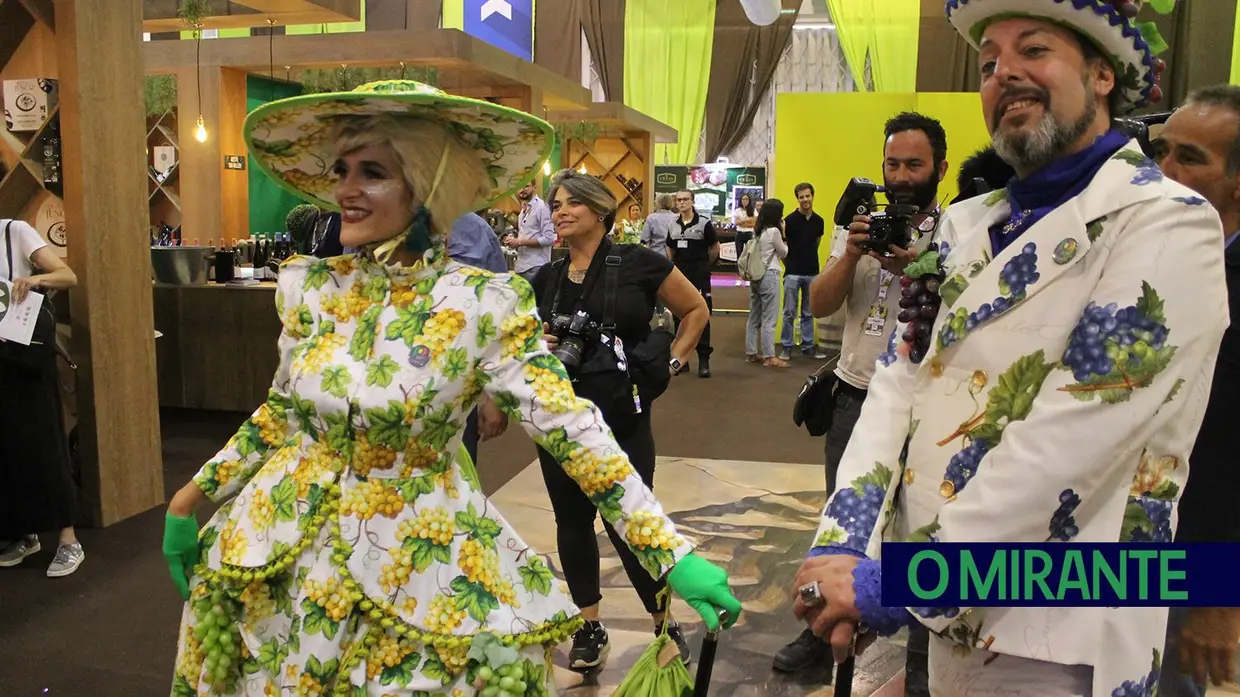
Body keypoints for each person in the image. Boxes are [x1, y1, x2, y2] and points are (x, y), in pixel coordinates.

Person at [161, 80, 742, 697]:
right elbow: (283, 411)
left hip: (418, 561)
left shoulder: (481, 304)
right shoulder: (310, 287)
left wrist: (668, 552)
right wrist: (191, 496)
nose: (345, 190)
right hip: (281, 550)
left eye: (373, 172)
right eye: (341, 170)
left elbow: (572, 429)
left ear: (428, 189)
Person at [789, 2, 1227, 695]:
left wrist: (901, 584)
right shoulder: (968, 222)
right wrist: (841, 546)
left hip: (1061, 627)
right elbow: (898, 382)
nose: (1005, 74)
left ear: (1102, 73)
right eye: (989, 62)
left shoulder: (1167, 222)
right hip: (943, 614)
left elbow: (1075, 437)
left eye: (1034, 51)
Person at [780, 113, 947, 687]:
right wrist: (852, 255)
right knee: (843, 516)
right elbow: (822, 305)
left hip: (929, 410)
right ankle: (821, 631)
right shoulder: (859, 224)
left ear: (939, 170)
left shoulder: (957, 232)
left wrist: (920, 271)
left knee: (927, 527)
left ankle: (922, 659)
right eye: (891, 164)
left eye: (913, 165)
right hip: (854, 397)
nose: (900, 176)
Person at [530, 170, 711, 671]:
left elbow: (695, 309)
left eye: (571, 203)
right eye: (556, 204)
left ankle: (662, 621)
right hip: (559, 421)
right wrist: (536, 342)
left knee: (631, 522)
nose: (561, 211)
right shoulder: (545, 278)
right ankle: (590, 624)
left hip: (623, 418)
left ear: (599, 210)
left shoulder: (639, 263)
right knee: (571, 522)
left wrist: (672, 363)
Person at [1150, 84, 1240, 696]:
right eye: (1162, 150)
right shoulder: (1148, 257)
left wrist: (1219, 594)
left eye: (1188, 157)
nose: (1164, 171)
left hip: (1194, 554)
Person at [0, 217, 84, 577]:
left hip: (25, 355)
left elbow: (68, 276)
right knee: (7, 449)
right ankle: (23, 532)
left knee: (44, 442)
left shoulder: (13, 231)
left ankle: (69, 540)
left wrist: (33, 279)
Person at [447, 211, 511, 466]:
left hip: (457, 379)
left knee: (457, 484)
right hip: (378, 389)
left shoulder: (474, 229)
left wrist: (497, 395)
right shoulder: (367, 224)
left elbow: (499, 310)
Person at [667, 189, 719, 378]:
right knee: (678, 317)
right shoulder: (672, 224)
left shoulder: (704, 223)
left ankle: (704, 361)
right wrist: (673, 266)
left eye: (685, 199)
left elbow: (714, 247)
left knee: (703, 317)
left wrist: (704, 265)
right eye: (679, 200)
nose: (682, 203)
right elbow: (670, 247)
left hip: (700, 275)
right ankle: (682, 360)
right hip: (679, 276)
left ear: (692, 201)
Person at [779, 184, 827, 361]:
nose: (805, 200)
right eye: (801, 197)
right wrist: (790, 265)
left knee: (808, 312)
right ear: (797, 199)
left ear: (812, 196)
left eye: (807, 196)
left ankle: (808, 347)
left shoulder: (819, 221)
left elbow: (816, 243)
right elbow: (783, 249)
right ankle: (786, 347)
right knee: (789, 312)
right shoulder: (788, 221)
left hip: (812, 272)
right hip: (792, 273)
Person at [744, 198, 789, 367]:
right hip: (770, 275)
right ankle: (770, 356)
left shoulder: (758, 231)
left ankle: (751, 352)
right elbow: (783, 253)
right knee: (770, 318)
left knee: (754, 316)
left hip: (756, 276)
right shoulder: (774, 232)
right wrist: (784, 234)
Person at [505, 181, 556, 284]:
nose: (522, 190)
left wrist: (519, 242)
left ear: (534, 187)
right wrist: (513, 240)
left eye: (526, 186)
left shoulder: (542, 207)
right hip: (520, 266)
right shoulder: (523, 211)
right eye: (519, 187)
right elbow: (526, 236)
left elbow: (549, 238)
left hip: (536, 267)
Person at [641, 193, 676, 257]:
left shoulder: (651, 218)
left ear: (657, 203)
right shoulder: (676, 218)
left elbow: (644, 239)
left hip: (656, 254)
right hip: (673, 255)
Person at [732, 192, 757, 259]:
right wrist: (748, 220)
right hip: (739, 234)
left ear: (749, 200)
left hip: (749, 234)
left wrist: (742, 221)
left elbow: (754, 223)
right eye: (743, 199)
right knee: (739, 254)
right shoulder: (737, 210)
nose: (745, 201)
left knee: (750, 254)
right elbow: (736, 222)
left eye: (746, 199)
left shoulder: (753, 210)